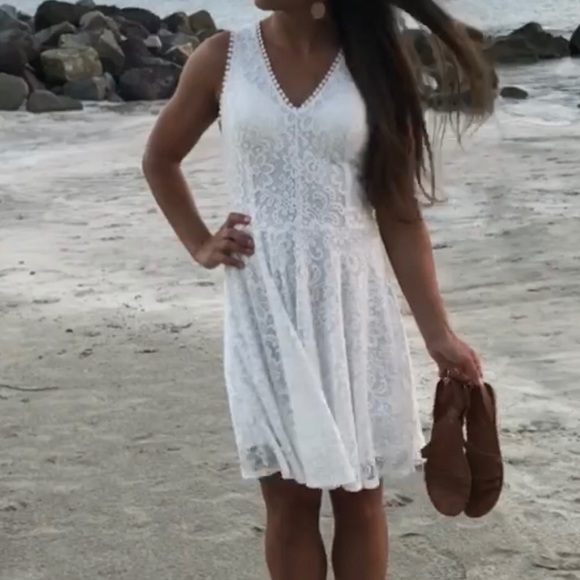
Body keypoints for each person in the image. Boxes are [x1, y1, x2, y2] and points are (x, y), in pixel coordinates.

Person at [142, 1, 494, 578]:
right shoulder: (222, 58)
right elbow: (160, 157)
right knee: (288, 497)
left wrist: (439, 335)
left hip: (353, 306)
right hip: (264, 306)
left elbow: (399, 213)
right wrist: (200, 243)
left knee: (360, 497)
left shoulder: (374, 63)